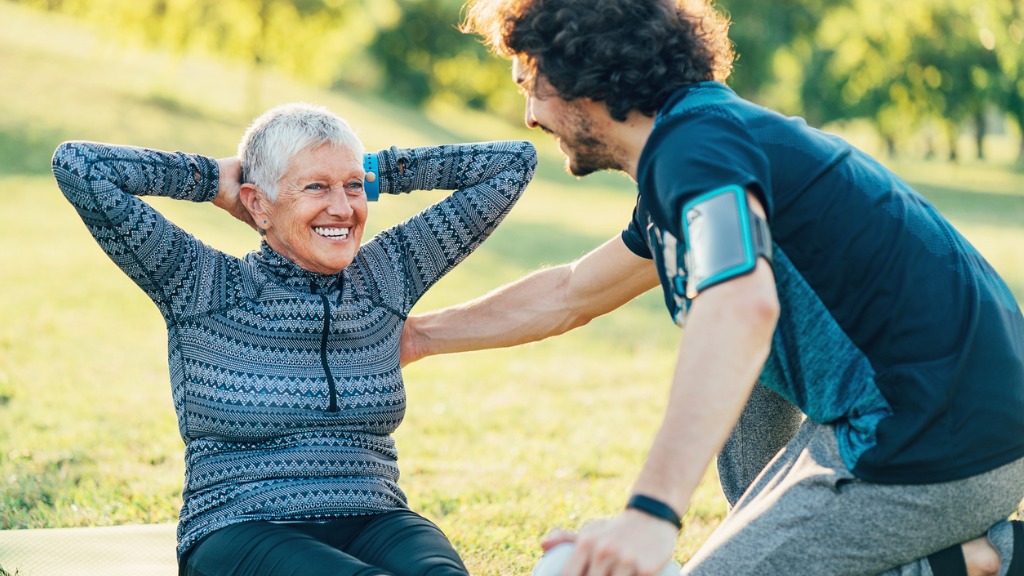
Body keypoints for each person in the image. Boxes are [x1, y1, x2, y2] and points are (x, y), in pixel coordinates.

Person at [400, 0, 1024, 574]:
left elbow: (741, 305)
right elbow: (570, 292)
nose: (530, 114)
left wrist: (650, 513)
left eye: (528, 84)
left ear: (584, 71)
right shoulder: (700, 145)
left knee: (721, 309)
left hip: (937, 434)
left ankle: (987, 557)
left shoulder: (695, 150)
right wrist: (419, 336)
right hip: (946, 410)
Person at [50, 102, 537, 576]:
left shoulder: (386, 276)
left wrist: (376, 169)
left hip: (375, 516)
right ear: (258, 204)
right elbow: (80, 165)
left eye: (352, 187)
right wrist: (211, 179)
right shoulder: (200, 284)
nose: (343, 208)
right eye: (316, 187)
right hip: (242, 526)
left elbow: (512, 163)